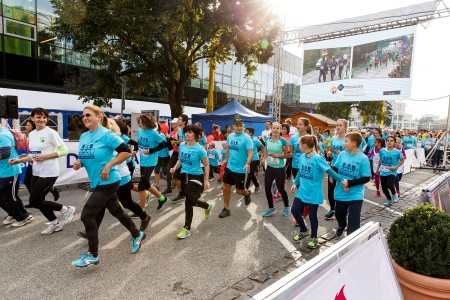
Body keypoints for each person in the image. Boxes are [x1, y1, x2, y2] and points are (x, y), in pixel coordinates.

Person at [72, 105, 145, 267]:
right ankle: (137, 234)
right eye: (83, 116)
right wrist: (79, 163)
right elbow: (88, 156)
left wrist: (109, 165)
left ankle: (93, 254)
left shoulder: (107, 135)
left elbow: (126, 152)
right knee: (117, 211)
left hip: (109, 180)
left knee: (87, 216)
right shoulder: (84, 136)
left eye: (88, 115)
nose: (84, 118)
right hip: (97, 181)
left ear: (99, 117)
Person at [76, 118, 151, 239]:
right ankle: (91, 232)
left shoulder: (113, 138)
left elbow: (125, 155)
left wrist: (112, 163)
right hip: (106, 179)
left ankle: (144, 217)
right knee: (101, 206)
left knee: (127, 203)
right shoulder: (98, 138)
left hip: (121, 177)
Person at [10, 108, 75, 235]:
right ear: (32, 118)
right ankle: (55, 223)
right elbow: (35, 155)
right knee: (39, 201)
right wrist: (17, 160)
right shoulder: (32, 134)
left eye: (44, 117)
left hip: (49, 172)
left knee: (34, 201)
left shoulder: (51, 133)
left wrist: (45, 157)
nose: (42, 119)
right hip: (37, 171)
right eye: (38, 117)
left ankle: (66, 209)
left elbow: (64, 151)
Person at [290, 135, 344, 248]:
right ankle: (304, 230)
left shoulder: (318, 158)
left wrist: (342, 180)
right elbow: (300, 172)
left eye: (299, 145)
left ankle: (314, 238)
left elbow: (329, 171)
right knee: (294, 210)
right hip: (302, 191)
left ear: (304, 146)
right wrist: (295, 183)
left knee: (312, 215)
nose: (298, 147)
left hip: (314, 193)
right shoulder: (302, 157)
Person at [170, 124, 213, 239]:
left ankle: (187, 228)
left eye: (190, 132)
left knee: (188, 196)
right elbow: (180, 159)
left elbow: (207, 165)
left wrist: (206, 180)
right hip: (185, 175)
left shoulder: (200, 149)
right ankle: (206, 207)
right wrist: (175, 167)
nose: (187, 134)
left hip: (196, 177)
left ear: (196, 135)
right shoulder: (182, 145)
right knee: (189, 202)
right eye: (186, 132)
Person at [334, 132, 371, 236]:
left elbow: (366, 177)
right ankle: (342, 225)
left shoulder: (363, 158)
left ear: (354, 143)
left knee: (354, 222)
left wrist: (349, 183)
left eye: (346, 141)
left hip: (356, 195)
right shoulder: (342, 154)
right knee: (339, 215)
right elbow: (336, 167)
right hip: (340, 193)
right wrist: (332, 174)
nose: (343, 144)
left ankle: (352, 244)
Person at [219, 116, 253, 218]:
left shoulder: (247, 138)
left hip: (241, 169)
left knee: (239, 191)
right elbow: (228, 149)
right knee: (225, 187)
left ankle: (247, 194)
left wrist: (247, 164)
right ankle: (226, 209)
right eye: (237, 125)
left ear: (244, 126)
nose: (239, 127)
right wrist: (225, 159)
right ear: (233, 126)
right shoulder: (230, 136)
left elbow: (250, 153)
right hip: (230, 166)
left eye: (241, 125)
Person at [0, 122, 33, 227]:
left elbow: (5, 154)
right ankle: (13, 212)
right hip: (3, 171)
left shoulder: (3, 135)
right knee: (3, 197)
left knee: (11, 197)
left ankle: (24, 217)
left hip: (10, 171)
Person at [134, 114, 168, 210]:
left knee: (141, 186)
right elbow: (138, 143)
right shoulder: (140, 131)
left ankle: (142, 210)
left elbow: (163, 145)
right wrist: (135, 150)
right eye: (139, 122)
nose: (139, 124)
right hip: (143, 160)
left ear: (146, 123)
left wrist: (150, 151)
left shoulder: (153, 133)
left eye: (140, 122)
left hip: (151, 161)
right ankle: (162, 198)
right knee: (147, 184)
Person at [260, 122, 292, 217]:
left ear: (280, 130)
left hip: (279, 168)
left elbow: (287, 154)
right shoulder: (267, 139)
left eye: (277, 128)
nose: (275, 130)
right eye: (274, 128)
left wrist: (276, 156)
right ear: (271, 129)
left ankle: (287, 207)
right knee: (266, 187)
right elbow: (266, 151)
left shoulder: (282, 141)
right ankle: (271, 208)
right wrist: (263, 159)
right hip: (270, 167)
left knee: (281, 188)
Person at [326, 119, 348, 220]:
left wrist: (341, 154)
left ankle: (344, 211)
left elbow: (352, 153)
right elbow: (330, 151)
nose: (338, 127)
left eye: (340, 125)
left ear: (345, 127)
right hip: (334, 167)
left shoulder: (348, 139)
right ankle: (332, 209)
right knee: (331, 189)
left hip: (344, 168)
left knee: (343, 189)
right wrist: (329, 154)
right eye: (337, 125)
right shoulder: (333, 139)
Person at [377, 136, 404, 207]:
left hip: (392, 171)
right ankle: (388, 199)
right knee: (383, 187)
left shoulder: (397, 152)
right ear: (386, 142)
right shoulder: (382, 150)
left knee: (389, 184)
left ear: (394, 143)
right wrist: (377, 169)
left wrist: (395, 166)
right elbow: (380, 160)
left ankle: (394, 194)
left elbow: (402, 160)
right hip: (383, 171)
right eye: (388, 140)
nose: (389, 142)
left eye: (391, 141)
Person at [162, 118, 180, 195]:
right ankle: (169, 188)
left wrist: (170, 138)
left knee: (181, 173)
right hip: (175, 153)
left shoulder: (180, 132)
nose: (172, 124)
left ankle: (182, 190)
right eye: (171, 123)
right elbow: (171, 146)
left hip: (181, 154)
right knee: (168, 169)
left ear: (177, 123)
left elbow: (180, 143)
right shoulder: (172, 132)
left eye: (173, 123)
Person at [245, 127, 263, 192]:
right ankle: (257, 185)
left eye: (246, 131)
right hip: (246, 159)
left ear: (250, 133)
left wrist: (262, 156)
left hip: (254, 159)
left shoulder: (255, 140)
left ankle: (246, 189)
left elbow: (262, 147)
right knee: (251, 174)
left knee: (249, 174)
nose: (245, 133)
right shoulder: (244, 140)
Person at [154, 123, 171, 191]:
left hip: (165, 156)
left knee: (164, 171)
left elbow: (166, 145)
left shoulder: (162, 136)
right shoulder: (158, 135)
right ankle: (157, 185)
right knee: (157, 170)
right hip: (159, 155)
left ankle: (170, 182)